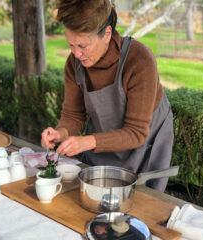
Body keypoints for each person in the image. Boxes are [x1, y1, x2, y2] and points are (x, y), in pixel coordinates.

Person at [41, 0, 174, 192]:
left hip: (144, 145)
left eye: (83, 46)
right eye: (71, 45)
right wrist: (60, 132)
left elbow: (136, 132)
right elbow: (73, 114)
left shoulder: (139, 60)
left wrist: (86, 142)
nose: (76, 54)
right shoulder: (74, 64)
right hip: (101, 144)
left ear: (107, 34)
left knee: (141, 205)